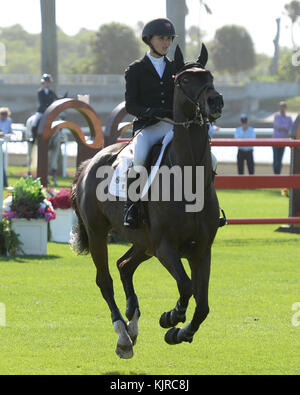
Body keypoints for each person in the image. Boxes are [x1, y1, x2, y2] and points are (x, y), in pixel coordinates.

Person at [123, 18, 177, 228]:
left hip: (173, 127)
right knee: (140, 157)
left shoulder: (175, 67)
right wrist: (149, 112)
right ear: (150, 40)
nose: (166, 43)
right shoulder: (136, 69)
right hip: (149, 128)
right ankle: (132, 207)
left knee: (208, 156)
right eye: (161, 38)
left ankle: (205, 207)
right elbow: (131, 105)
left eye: (169, 39)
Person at [31, 74, 57, 140]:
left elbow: (56, 98)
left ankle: (58, 137)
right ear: (43, 83)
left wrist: (63, 97)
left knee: (57, 122)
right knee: (34, 122)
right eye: (46, 82)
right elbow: (41, 103)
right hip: (41, 111)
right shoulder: (40, 92)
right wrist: (47, 109)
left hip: (50, 111)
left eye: (48, 82)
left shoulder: (52, 92)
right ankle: (33, 137)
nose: (47, 84)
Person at [272, 101, 293, 174]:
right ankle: (276, 175)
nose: (282, 108)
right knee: (275, 159)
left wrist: (283, 128)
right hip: (275, 141)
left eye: (283, 106)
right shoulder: (276, 116)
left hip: (284, 141)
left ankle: (278, 175)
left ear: (285, 108)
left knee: (280, 159)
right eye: (281, 106)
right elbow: (277, 126)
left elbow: (291, 127)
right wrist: (285, 128)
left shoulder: (289, 118)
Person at [0, 107, 13, 187]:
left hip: (2, 143)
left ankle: (4, 183)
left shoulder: (8, 120)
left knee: (1, 164)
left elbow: (9, 130)